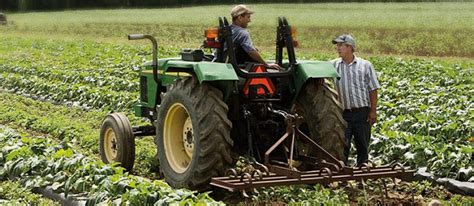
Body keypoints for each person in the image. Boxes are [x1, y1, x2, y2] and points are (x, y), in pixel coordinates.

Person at [331, 34, 380, 167]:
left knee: (362, 146)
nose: (338, 48)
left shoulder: (365, 66)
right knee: (342, 146)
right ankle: (342, 176)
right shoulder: (333, 66)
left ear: (350, 47)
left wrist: (373, 111)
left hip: (362, 113)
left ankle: (361, 176)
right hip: (343, 114)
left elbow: (373, 89)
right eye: (337, 45)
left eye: (341, 45)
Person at [228, 4, 282, 70]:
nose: (249, 20)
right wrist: (266, 64)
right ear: (240, 18)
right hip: (236, 67)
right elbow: (251, 51)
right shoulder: (242, 33)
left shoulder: (227, 30)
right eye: (248, 17)